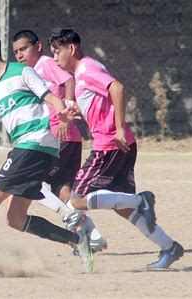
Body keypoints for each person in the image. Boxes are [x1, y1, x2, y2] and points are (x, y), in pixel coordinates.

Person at [0, 29, 94, 272]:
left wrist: (63, 117)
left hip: (34, 143)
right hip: (32, 149)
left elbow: (50, 97)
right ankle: (78, 241)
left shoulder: (22, 72)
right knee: (15, 219)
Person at [48, 28, 184, 269]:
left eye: (57, 52)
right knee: (121, 207)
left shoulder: (86, 70)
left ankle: (139, 200)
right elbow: (102, 102)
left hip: (109, 144)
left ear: (71, 48)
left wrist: (119, 127)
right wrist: (77, 113)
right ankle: (168, 247)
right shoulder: (88, 69)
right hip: (122, 143)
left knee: (77, 200)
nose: (55, 58)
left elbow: (117, 89)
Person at [11, 29, 107, 253]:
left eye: (24, 49)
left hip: (58, 135)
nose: (20, 55)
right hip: (66, 138)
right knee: (62, 190)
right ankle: (94, 236)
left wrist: (67, 112)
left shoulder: (46, 64)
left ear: (38, 46)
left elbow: (69, 80)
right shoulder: (31, 72)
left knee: (34, 183)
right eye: (16, 52)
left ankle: (72, 219)